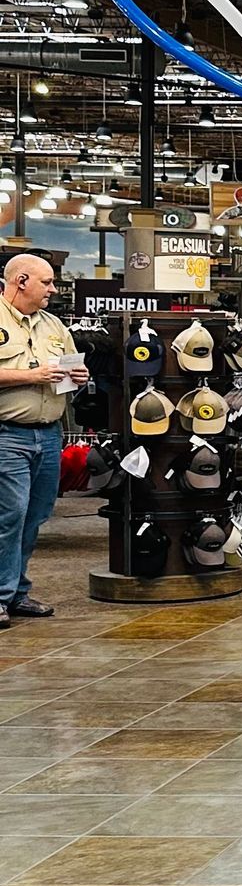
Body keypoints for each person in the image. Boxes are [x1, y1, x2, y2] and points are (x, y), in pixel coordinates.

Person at [0, 251, 87, 629]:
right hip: (7, 435)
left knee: (35, 517)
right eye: (46, 282)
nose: (53, 289)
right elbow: (36, 375)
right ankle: (1, 596)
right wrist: (32, 376)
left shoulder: (54, 325)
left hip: (49, 435)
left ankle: (17, 592)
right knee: (9, 517)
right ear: (21, 281)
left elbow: (64, 373)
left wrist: (77, 378)